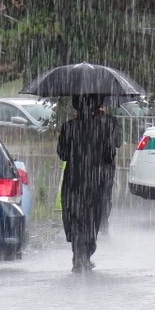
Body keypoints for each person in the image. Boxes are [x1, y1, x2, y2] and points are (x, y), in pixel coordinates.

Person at [57, 94, 121, 272]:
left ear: (76, 106)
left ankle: (79, 256)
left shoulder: (69, 127)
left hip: (74, 180)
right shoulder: (109, 123)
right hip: (98, 180)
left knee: (76, 218)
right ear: (100, 103)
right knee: (93, 218)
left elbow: (62, 154)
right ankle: (85, 254)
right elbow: (113, 150)